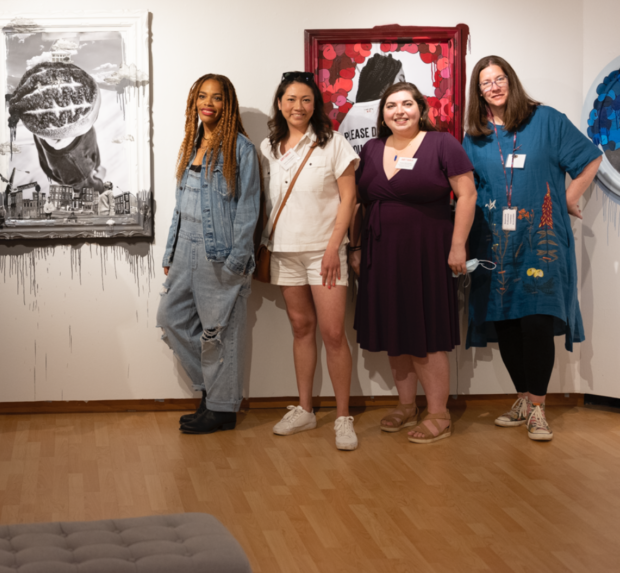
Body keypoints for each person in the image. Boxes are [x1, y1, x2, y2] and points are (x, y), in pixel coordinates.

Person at [462, 56, 602, 442]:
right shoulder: (474, 137)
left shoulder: (547, 120)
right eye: (485, 82)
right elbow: (465, 189)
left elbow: (591, 158)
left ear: (511, 81)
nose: (494, 86)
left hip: (541, 242)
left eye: (500, 78)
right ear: (478, 92)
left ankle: (538, 408)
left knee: (536, 321)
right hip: (494, 242)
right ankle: (523, 398)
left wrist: (569, 196)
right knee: (506, 321)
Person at [349, 82, 476, 444]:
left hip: (427, 251)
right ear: (382, 113)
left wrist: (458, 246)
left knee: (427, 330)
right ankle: (407, 405)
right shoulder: (372, 148)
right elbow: (360, 204)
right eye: (391, 105)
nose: (399, 111)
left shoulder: (442, 144)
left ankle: (438, 412)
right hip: (381, 253)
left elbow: (467, 194)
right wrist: (355, 248)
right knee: (395, 328)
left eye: (407, 104)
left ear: (420, 109)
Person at [260, 71, 359, 451]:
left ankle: (343, 418)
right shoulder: (270, 147)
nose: (297, 106)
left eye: (305, 99)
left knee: (333, 335)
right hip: (284, 251)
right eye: (290, 99)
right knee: (301, 329)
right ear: (280, 104)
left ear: (314, 104)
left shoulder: (333, 143)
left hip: (324, 252)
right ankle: (304, 408)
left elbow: (349, 200)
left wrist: (335, 247)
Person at [157, 74, 260, 434]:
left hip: (219, 252)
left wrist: (237, 259)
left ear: (226, 104)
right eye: (203, 96)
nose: (209, 103)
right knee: (171, 319)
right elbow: (179, 206)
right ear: (193, 102)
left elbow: (248, 210)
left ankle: (221, 409)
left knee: (218, 332)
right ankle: (217, 393)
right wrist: (171, 250)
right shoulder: (192, 144)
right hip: (185, 249)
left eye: (217, 98)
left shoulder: (241, 149)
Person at [338, 53, 406, 155]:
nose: (406, 85)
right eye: (401, 79)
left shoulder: (348, 118)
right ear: (384, 79)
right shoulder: (394, 112)